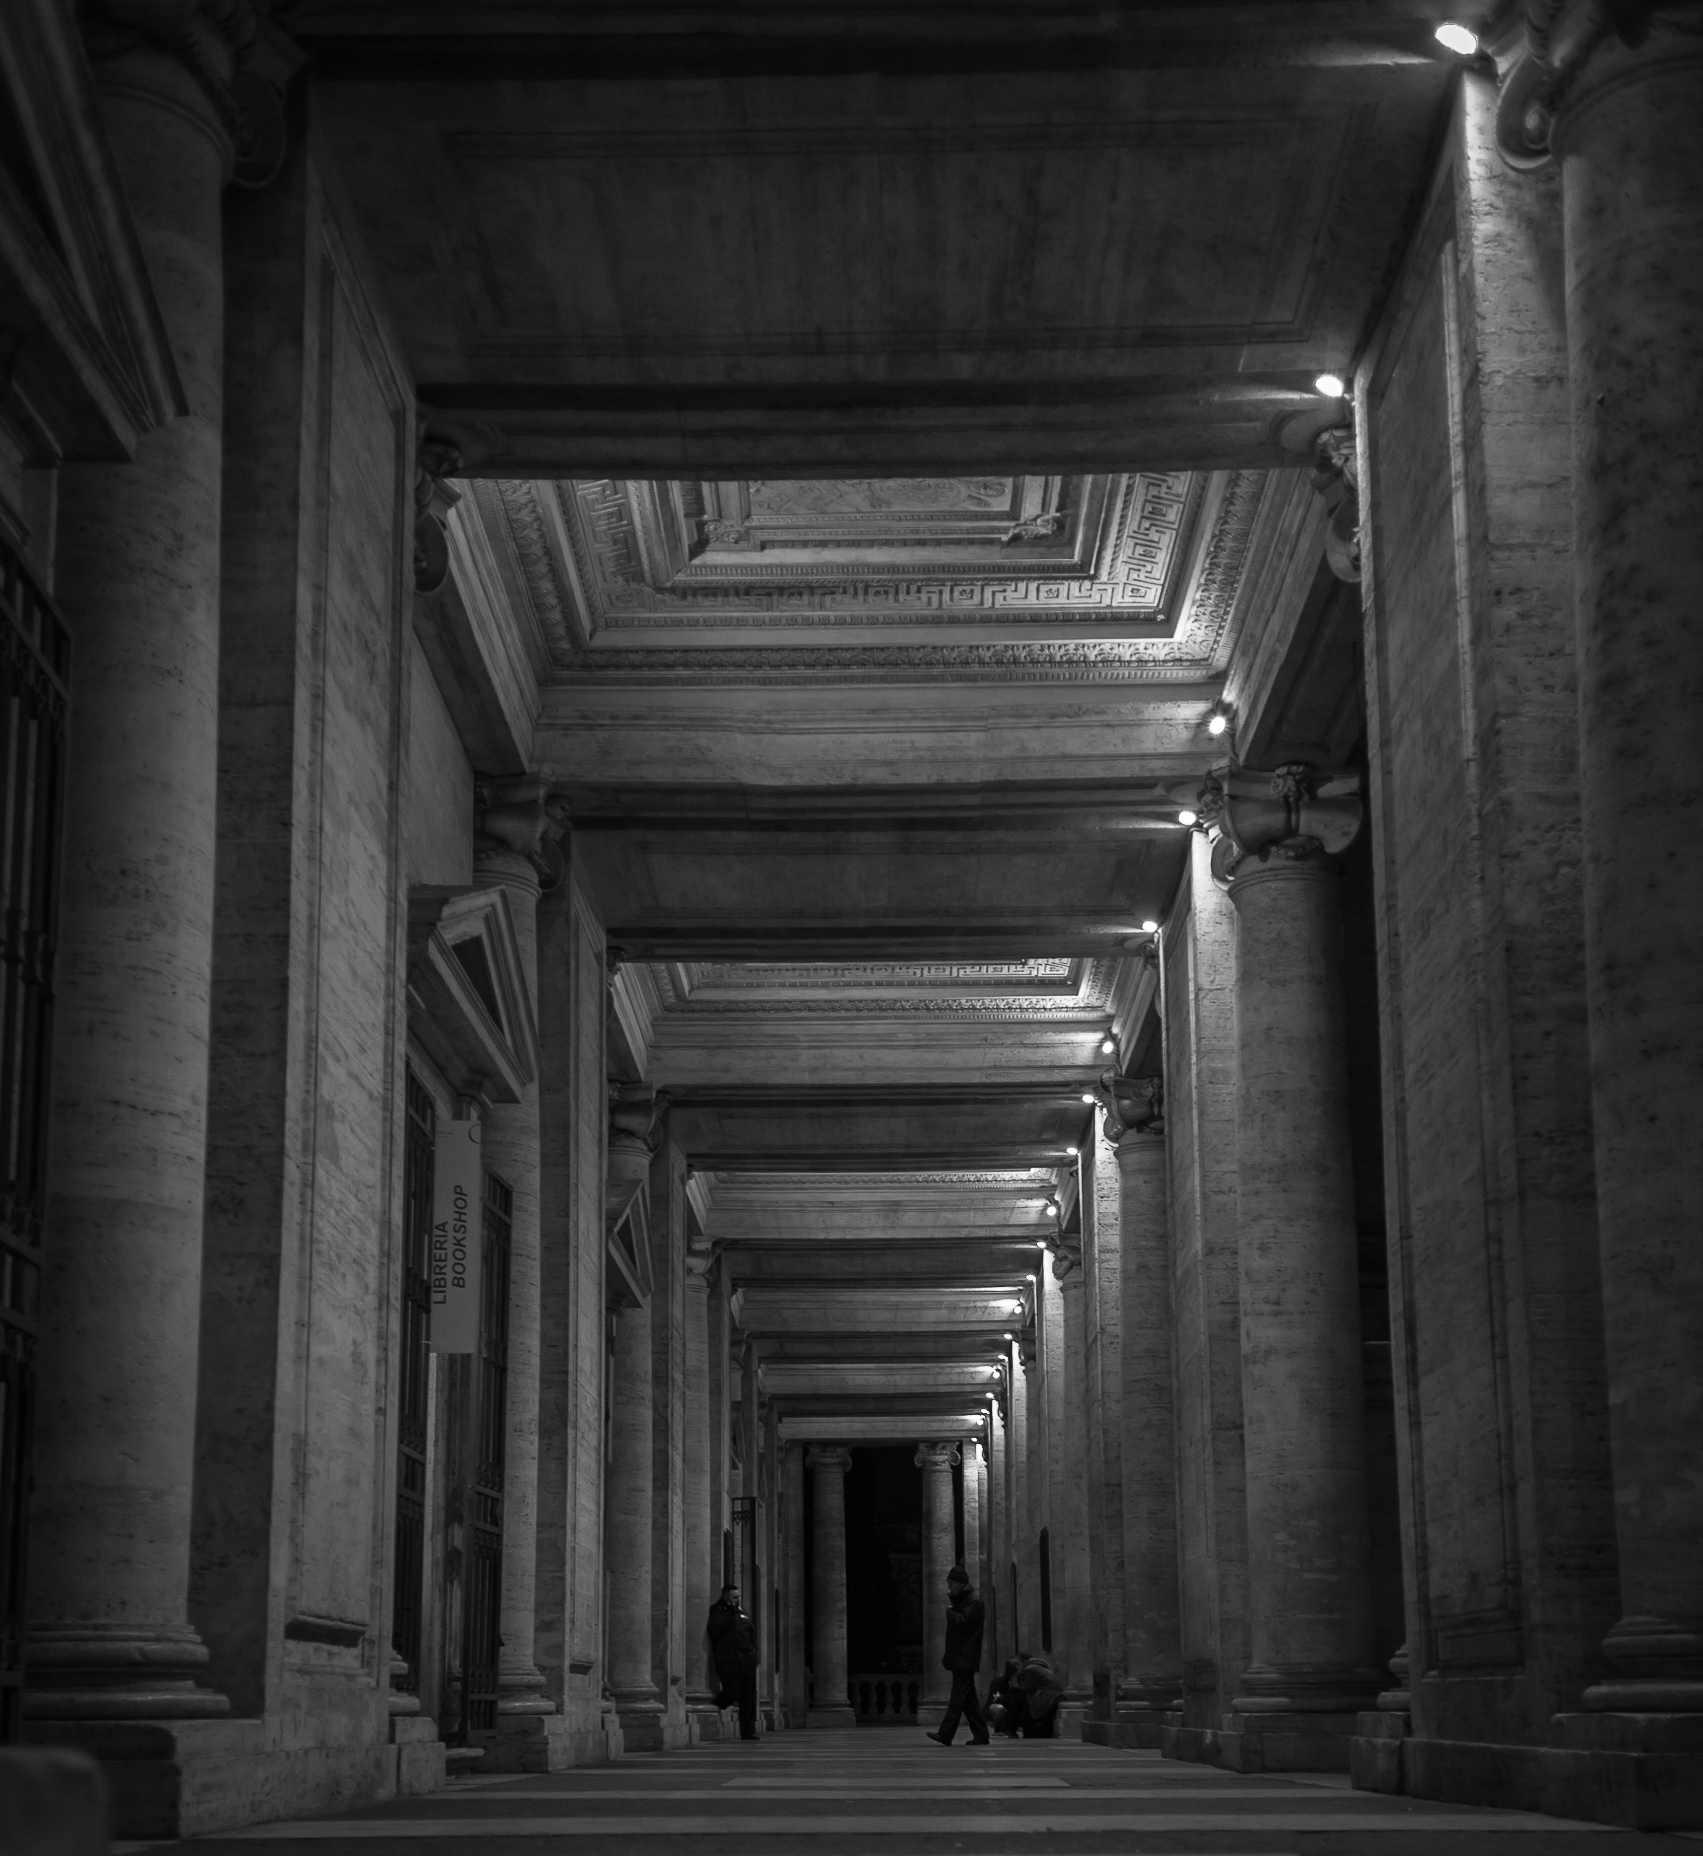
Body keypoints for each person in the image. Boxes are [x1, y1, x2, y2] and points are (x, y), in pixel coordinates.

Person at [924, 1564, 990, 1746]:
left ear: (961, 1584)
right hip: (961, 1657)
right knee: (969, 1701)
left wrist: (950, 1613)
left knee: (958, 1698)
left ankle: (946, 1734)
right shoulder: (964, 1600)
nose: (949, 1587)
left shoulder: (974, 1602)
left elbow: (964, 1622)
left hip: (965, 1658)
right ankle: (981, 1735)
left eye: (952, 1583)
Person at [704, 1582, 760, 1740]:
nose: (738, 1599)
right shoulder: (717, 1610)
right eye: (734, 1597)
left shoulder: (743, 1612)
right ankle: (716, 1705)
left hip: (747, 1659)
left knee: (749, 1697)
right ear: (726, 1597)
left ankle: (748, 1731)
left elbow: (751, 1632)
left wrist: (754, 1652)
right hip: (729, 1660)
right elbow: (715, 1630)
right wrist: (730, 1612)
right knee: (733, 1691)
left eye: (738, 1596)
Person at [1012, 1648, 1063, 1738]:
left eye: (1017, 1664)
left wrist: (1018, 1680)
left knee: (1018, 1697)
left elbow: (1027, 1688)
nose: (1016, 1667)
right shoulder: (1038, 1666)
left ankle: (1010, 1728)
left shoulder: (1030, 1669)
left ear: (1025, 1661)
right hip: (1053, 1696)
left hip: (1048, 1698)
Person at [985, 1657, 1027, 1738]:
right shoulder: (998, 1681)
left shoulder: (1019, 1680)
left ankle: (1009, 1729)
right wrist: (1012, 1692)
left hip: (1008, 1703)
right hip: (1000, 1705)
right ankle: (1000, 1728)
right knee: (999, 1709)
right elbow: (996, 1698)